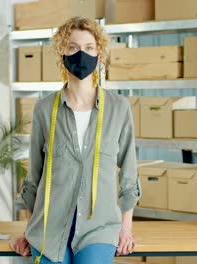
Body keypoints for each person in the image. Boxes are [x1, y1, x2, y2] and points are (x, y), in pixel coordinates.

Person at [12, 16, 141, 264]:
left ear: (99, 54)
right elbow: (34, 178)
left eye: (89, 48)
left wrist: (126, 227)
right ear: (62, 54)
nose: (82, 54)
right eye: (73, 47)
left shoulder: (118, 108)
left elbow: (129, 172)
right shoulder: (44, 109)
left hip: (99, 228)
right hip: (49, 228)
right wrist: (31, 229)